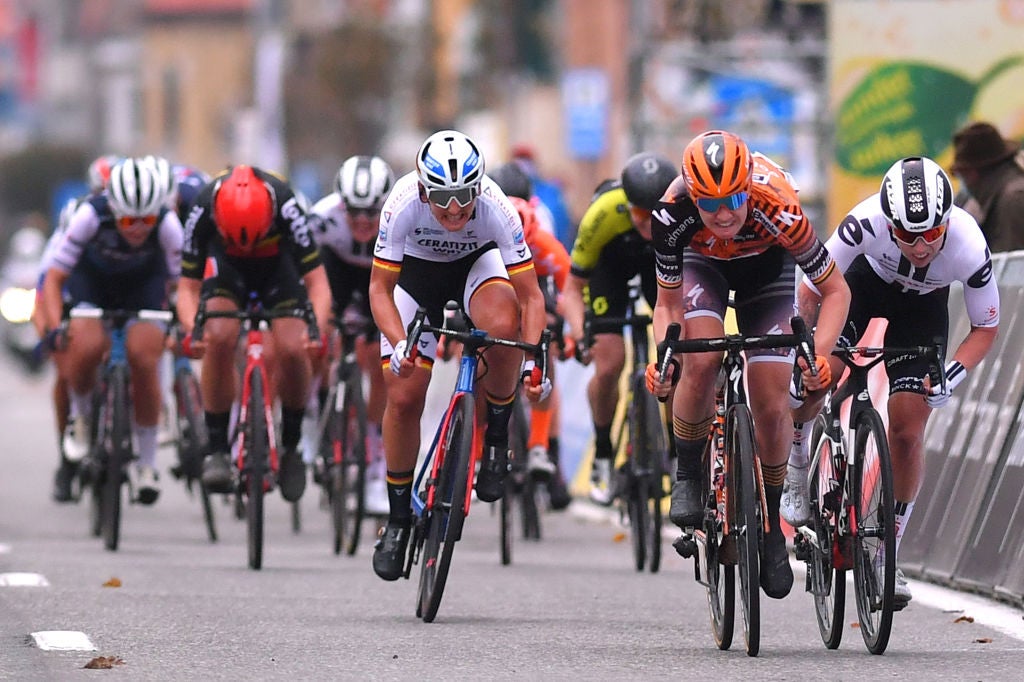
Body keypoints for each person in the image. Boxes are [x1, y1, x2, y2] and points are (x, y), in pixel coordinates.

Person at [644, 130, 850, 600]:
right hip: (704, 267)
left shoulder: (779, 205)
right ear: (691, 195)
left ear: (748, 187)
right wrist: (667, 356)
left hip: (767, 272)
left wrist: (817, 355)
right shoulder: (671, 213)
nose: (722, 214)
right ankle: (689, 473)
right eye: (709, 203)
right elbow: (667, 306)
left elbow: (836, 290)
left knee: (771, 397)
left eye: (733, 199)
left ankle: (772, 522)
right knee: (702, 358)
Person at [788, 156, 999, 607]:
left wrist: (952, 377)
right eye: (906, 235)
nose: (920, 247)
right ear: (889, 223)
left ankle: (888, 550)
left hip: (922, 313)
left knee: (906, 427)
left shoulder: (968, 245)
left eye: (930, 234)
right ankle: (797, 457)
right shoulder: (863, 223)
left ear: (946, 223)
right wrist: (809, 352)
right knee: (823, 375)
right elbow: (811, 286)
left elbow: (984, 329)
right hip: (860, 288)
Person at [368, 129, 549, 581]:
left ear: (479, 187)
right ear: (424, 189)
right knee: (405, 395)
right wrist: (399, 345)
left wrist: (532, 362)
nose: (454, 209)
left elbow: (531, 297)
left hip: (476, 267)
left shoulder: (496, 208)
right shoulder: (402, 202)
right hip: (415, 275)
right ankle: (397, 519)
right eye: (443, 198)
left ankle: (496, 439)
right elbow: (379, 289)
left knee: (505, 328)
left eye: (464, 197)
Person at [175, 164, 332, 503]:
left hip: (278, 270)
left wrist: (315, 329)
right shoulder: (203, 207)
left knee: (293, 347)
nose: (246, 246)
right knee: (218, 334)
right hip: (226, 271)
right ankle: (217, 448)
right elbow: (187, 288)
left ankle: (291, 446)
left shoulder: (286, 205)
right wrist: (193, 329)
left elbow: (318, 283)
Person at [40, 156, 184, 505]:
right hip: (92, 283)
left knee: (145, 358)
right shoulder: (90, 215)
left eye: (146, 219)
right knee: (85, 347)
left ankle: (147, 464)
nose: (137, 228)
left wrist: (181, 322)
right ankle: (83, 418)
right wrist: (59, 324)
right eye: (129, 220)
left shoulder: (167, 225)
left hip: (143, 286)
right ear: (113, 209)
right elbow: (54, 280)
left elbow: (183, 284)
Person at [561, 151, 678, 506]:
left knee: (676, 360)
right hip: (609, 270)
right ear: (627, 206)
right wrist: (582, 334)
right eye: (640, 213)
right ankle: (603, 451)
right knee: (609, 362)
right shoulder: (603, 213)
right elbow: (571, 288)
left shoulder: (680, 213)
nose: (648, 222)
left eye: (656, 212)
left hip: (660, 267)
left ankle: (676, 453)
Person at [308, 154, 395, 515]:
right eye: (354, 212)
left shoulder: (399, 217)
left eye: (371, 213)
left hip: (383, 274)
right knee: (316, 335)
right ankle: (315, 413)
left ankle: (375, 463)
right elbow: (305, 272)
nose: (362, 221)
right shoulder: (322, 217)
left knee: (383, 364)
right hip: (337, 273)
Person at [491, 161, 574, 509]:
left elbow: (568, 291)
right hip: (497, 277)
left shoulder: (542, 231)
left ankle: (543, 450)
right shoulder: (486, 225)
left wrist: (567, 333)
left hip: (537, 280)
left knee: (546, 348)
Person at [950, 121, 1024, 253]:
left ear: (971, 173)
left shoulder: (1013, 200)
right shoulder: (997, 197)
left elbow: (1014, 268)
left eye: (960, 173)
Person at [511, 143, 575, 248]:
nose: (523, 166)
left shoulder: (550, 192)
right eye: (519, 161)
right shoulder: (506, 191)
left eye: (526, 161)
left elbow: (563, 226)